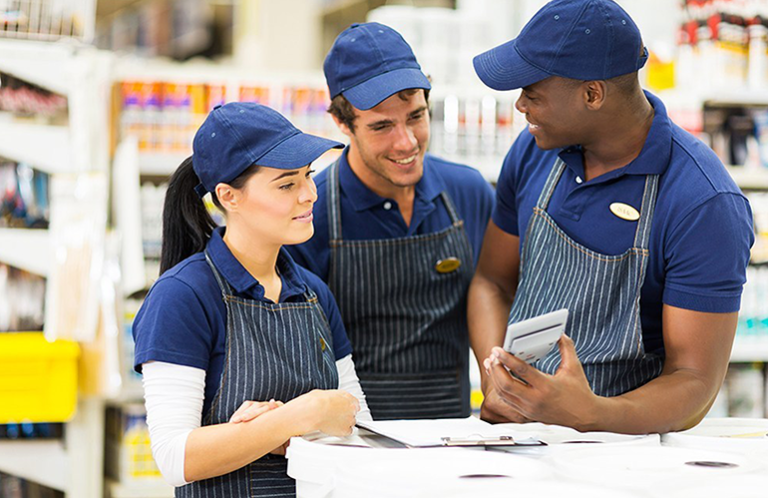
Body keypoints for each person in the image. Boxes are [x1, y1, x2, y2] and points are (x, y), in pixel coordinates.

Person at [468, 0, 754, 433]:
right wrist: (499, 381)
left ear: (592, 94)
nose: (521, 105)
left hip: (625, 457)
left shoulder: (702, 202)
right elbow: (491, 281)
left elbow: (694, 382)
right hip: (516, 441)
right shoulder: (532, 152)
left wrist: (589, 414)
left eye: (533, 91)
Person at [132, 102, 370, 497]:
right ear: (229, 196)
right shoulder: (184, 296)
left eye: (308, 176)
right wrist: (301, 415)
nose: (310, 194)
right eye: (286, 184)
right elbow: (175, 458)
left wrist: (272, 432)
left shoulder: (313, 293)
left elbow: (356, 422)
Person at [286, 22, 495, 420]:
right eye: (382, 126)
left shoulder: (468, 192)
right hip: (353, 445)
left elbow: (498, 294)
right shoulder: (312, 213)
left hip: (453, 439)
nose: (407, 142)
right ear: (343, 124)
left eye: (416, 116)